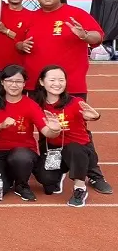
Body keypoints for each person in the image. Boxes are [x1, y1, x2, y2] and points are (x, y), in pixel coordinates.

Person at [0, 65, 56, 202]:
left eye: (18, 81)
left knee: (21, 157)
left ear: (24, 84)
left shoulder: (31, 104)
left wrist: (55, 129)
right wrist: (0, 126)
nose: (14, 85)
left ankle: (21, 185)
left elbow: (46, 130)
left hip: (23, 151)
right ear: (2, 82)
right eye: (10, 81)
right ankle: (9, 174)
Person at [33, 65, 100, 206]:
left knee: (73, 149)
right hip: (53, 150)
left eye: (61, 80)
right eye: (52, 80)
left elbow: (90, 115)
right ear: (41, 82)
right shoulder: (37, 104)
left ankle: (79, 188)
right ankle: (59, 174)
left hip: (79, 149)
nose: (57, 84)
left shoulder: (75, 102)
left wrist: (95, 116)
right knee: (47, 183)